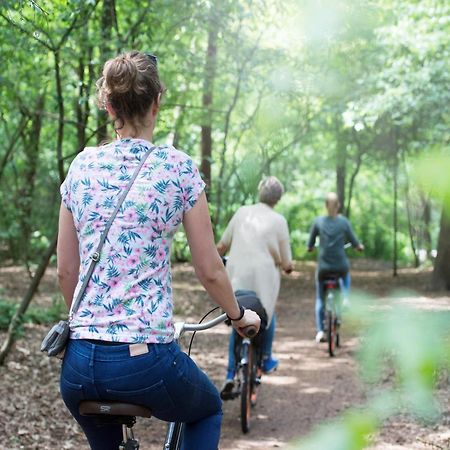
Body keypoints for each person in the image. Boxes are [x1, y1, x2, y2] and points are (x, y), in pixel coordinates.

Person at [57, 51, 260, 450]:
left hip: (79, 366)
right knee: (206, 409)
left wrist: (91, 330)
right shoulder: (177, 169)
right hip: (144, 359)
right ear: (156, 103)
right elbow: (210, 269)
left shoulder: (81, 167)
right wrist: (237, 316)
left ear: (109, 105)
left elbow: (67, 271)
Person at [216, 176, 293, 395]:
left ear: (260, 192)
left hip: (237, 279)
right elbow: (287, 262)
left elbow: (222, 245)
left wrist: (213, 257)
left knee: (238, 316)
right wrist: (287, 267)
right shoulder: (279, 221)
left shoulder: (242, 212)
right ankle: (266, 358)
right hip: (264, 282)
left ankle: (230, 374)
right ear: (278, 198)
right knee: (268, 316)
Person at [307, 192, 364, 343]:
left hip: (324, 267)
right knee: (346, 274)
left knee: (320, 298)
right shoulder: (344, 222)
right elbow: (354, 240)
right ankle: (345, 298)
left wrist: (311, 248)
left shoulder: (318, 222)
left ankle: (320, 331)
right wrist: (358, 246)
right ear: (338, 205)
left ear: (326, 205)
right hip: (340, 265)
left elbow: (310, 244)